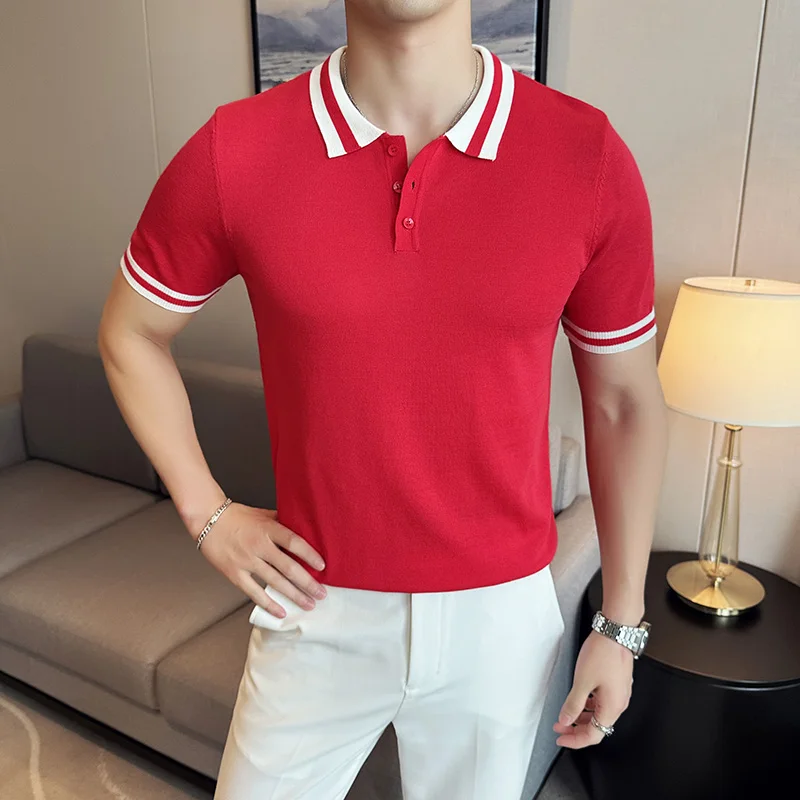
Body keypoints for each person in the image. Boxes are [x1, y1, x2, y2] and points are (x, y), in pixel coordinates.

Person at [97, 0, 668, 797]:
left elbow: (624, 404)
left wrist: (621, 624)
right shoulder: (237, 149)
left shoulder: (585, 156)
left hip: (498, 618)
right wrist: (207, 513)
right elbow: (130, 332)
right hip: (313, 602)